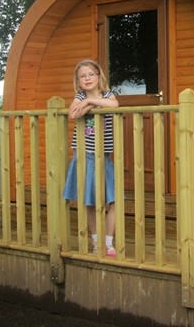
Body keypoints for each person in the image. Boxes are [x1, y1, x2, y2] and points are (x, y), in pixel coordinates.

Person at [62, 59, 119, 257]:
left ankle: (108, 243)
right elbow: (73, 114)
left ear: (98, 76)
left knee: (113, 199)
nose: (87, 78)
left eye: (91, 74)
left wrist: (88, 103)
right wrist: (86, 102)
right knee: (89, 201)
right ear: (78, 81)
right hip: (84, 156)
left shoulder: (108, 94)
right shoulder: (79, 96)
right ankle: (96, 242)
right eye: (82, 76)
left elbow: (114, 105)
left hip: (104, 156)